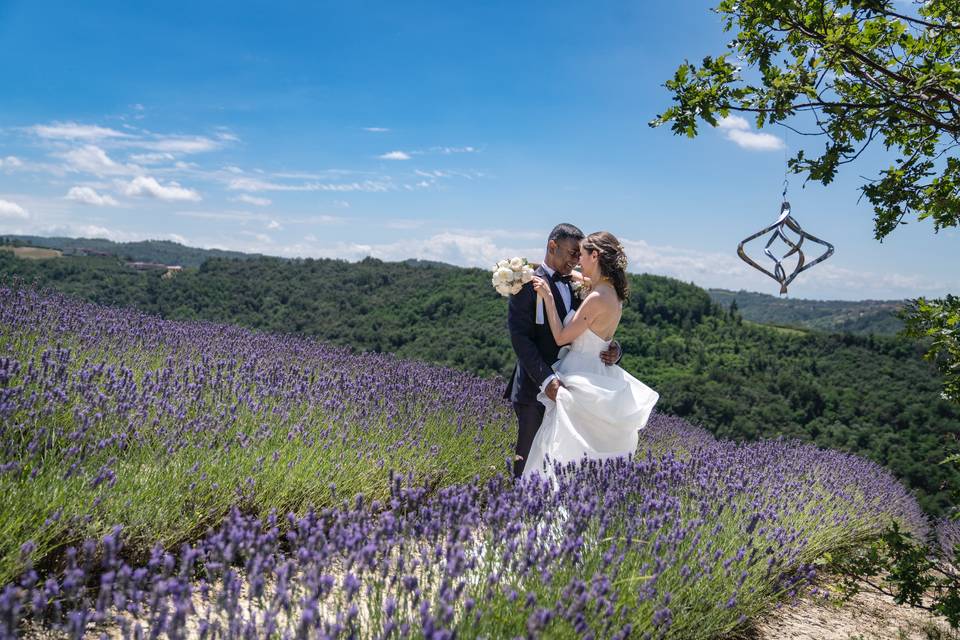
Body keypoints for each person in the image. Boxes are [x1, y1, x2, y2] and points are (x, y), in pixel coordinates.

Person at [522, 231, 659, 481]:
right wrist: (528, 267)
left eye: (582, 255)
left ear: (594, 256)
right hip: (599, 371)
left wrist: (549, 298)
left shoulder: (596, 297)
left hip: (580, 372)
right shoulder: (611, 291)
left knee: (564, 449)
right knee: (585, 453)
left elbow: (563, 337)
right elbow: (570, 276)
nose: (577, 261)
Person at [504, 223, 622, 479]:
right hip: (534, 388)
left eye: (580, 255)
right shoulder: (525, 283)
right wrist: (547, 380)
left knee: (562, 464)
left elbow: (594, 326)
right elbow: (520, 339)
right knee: (527, 462)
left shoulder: (580, 284)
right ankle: (514, 514)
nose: (576, 261)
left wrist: (612, 348)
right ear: (552, 246)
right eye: (572, 253)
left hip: (574, 387)